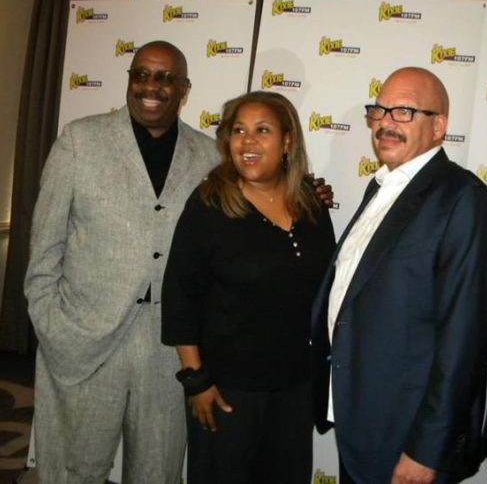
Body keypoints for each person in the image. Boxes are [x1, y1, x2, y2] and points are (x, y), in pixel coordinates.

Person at [25, 40, 218, 483]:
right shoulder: (80, 140)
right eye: (141, 74)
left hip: (170, 350)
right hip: (85, 341)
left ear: (184, 90)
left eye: (166, 78)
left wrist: (309, 193)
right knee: (75, 471)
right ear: (130, 81)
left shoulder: (209, 156)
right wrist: (54, 328)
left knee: (157, 473)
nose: (151, 86)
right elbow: (44, 250)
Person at [310, 67, 487, 484]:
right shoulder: (380, 188)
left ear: (439, 126)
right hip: (363, 425)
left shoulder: (465, 200)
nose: (385, 123)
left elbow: (464, 341)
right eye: (379, 110)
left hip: (409, 443)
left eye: (404, 112)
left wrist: (426, 450)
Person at [161, 91, 336, 483]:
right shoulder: (209, 203)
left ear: (287, 141)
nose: (248, 141)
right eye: (239, 130)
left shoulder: (311, 203)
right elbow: (179, 295)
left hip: (294, 389)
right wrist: (196, 380)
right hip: (227, 392)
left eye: (262, 130)